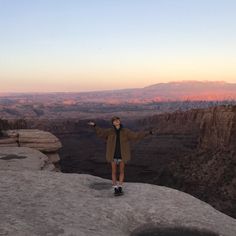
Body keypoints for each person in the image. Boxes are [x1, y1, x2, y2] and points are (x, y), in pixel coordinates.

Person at [88, 116, 153, 195]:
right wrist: (95, 126)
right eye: (115, 121)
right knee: (114, 172)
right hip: (113, 155)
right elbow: (101, 133)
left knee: (121, 171)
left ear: (119, 121)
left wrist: (147, 133)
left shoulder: (126, 131)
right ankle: (115, 188)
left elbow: (136, 136)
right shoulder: (110, 131)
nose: (117, 121)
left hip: (122, 155)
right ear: (113, 123)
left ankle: (120, 187)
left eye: (118, 120)